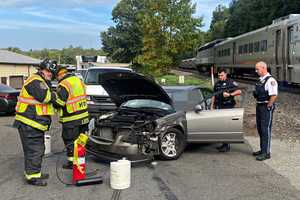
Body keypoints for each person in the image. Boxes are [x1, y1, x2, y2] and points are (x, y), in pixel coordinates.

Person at [14, 59, 57, 186]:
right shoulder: (36, 81)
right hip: (29, 122)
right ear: (41, 69)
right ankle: (32, 177)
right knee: (35, 150)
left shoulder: (41, 81)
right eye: (48, 71)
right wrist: (54, 95)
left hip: (33, 122)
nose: (50, 74)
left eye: (52, 73)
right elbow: (46, 97)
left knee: (35, 149)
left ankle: (34, 172)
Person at [53, 65, 89, 169]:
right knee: (80, 139)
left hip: (71, 118)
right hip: (84, 116)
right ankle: (80, 160)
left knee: (69, 140)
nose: (56, 79)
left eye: (56, 77)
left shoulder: (64, 84)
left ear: (60, 75)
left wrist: (53, 100)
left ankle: (72, 163)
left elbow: (60, 102)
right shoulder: (78, 80)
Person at [211, 68, 241, 152]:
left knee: (226, 126)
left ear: (225, 74)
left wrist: (230, 94)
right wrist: (212, 106)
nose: (220, 77)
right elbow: (214, 95)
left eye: (221, 75)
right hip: (218, 106)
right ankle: (224, 144)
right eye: (219, 75)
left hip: (227, 106)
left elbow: (239, 91)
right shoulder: (217, 84)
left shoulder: (230, 82)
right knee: (220, 126)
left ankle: (226, 145)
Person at [252, 61, 278, 161]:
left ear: (263, 68)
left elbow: (274, 95)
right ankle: (262, 149)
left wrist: (269, 106)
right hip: (259, 106)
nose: (256, 71)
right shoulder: (260, 80)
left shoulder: (270, 80)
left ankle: (266, 153)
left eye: (257, 69)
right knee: (260, 128)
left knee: (265, 129)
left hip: (266, 106)